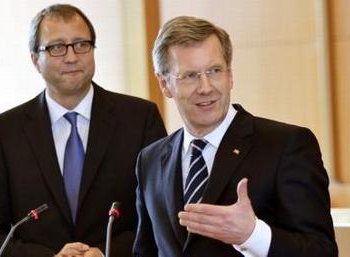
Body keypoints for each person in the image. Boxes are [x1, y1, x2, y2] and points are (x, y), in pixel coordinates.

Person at [0, 4, 166, 257]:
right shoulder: (6, 131)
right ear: (35, 60)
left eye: (81, 44)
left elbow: (163, 217)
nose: (72, 57)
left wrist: (106, 253)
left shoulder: (140, 119)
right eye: (57, 47)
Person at [133, 16, 338, 257]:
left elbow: (321, 251)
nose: (206, 87)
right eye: (190, 75)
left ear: (230, 75)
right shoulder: (150, 159)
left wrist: (253, 235)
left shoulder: (287, 145)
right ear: (165, 84)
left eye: (215, 71)